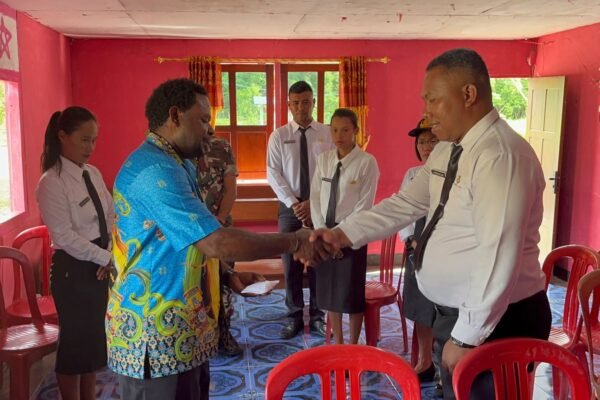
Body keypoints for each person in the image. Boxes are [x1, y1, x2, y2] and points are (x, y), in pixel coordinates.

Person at [306, 48, 551, 399]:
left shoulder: (500, 155)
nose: (426, 111)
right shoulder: (448, 149)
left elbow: (498, 255)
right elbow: (406, 203)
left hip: (498, 322)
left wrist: (467, 337)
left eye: (433, 99)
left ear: (468, 94)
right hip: (458, 316)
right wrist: (342, 234)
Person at [108, 78, 329, 400]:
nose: (209, 129)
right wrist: (294, 241)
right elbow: (215, 241)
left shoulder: (176, 163)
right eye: (203, 120)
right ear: (175, 116)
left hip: (181, 329)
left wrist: (226, 274)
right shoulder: (155, 170)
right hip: (153, 338)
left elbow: (186, 239)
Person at [36, 106, 113, 400]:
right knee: (74, 344)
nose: (90, 147)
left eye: (94, 140)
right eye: (84, 140)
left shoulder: (92, 173)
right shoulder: (52, 182)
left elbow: (110, 214)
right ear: (62, 136)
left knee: (92, 343)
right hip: (73, 271)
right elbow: (64, 237)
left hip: (98, 264)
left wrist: (108, 252)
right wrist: (106, 258)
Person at [266, 80, 334, 339]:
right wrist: (295, 204)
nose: (301, 107)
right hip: (289, 207)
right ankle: (294, 317)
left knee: (318, 260)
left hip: (320, 206)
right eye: (296, 103)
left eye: (306, 102)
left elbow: (332, 171)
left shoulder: (327, 133)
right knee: (291, 263)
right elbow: (273, 173)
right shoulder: (279, 136)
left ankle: (317, 316)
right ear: (289, 105)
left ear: (313, 102)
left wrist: (313, 203)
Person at [310, 108, 379, 344]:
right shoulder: (324, 160)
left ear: (356, 131)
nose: (339, 135)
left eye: (345, 130)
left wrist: (341, 236)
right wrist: (323, 232)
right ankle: (338, 342)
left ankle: (353, 344)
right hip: (325, 234)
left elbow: (364, 205)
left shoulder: (367, 163)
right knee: (331, 292)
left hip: (352, 235)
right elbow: (315, 198)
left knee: (351, 295)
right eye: (335, 130)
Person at [399, 118, 441, 390]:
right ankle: (425, 361)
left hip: (443, 250)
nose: (426, 146)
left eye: (432, 140)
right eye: (421, 142)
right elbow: (402, 211)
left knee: (445, 310)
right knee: (421, 307)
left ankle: (445, 368)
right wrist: (411, 239)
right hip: (417, 248)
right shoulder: (412, 175)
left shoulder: (453, 173)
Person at [196, 128, 241, 356]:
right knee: (196, 286)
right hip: (191, 232)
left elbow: (231, 190)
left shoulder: (222, 147)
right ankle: (200, 338)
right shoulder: (177, 152)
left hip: (220, 228)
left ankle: (224, 334)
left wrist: (220, 219)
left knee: (223, 283)